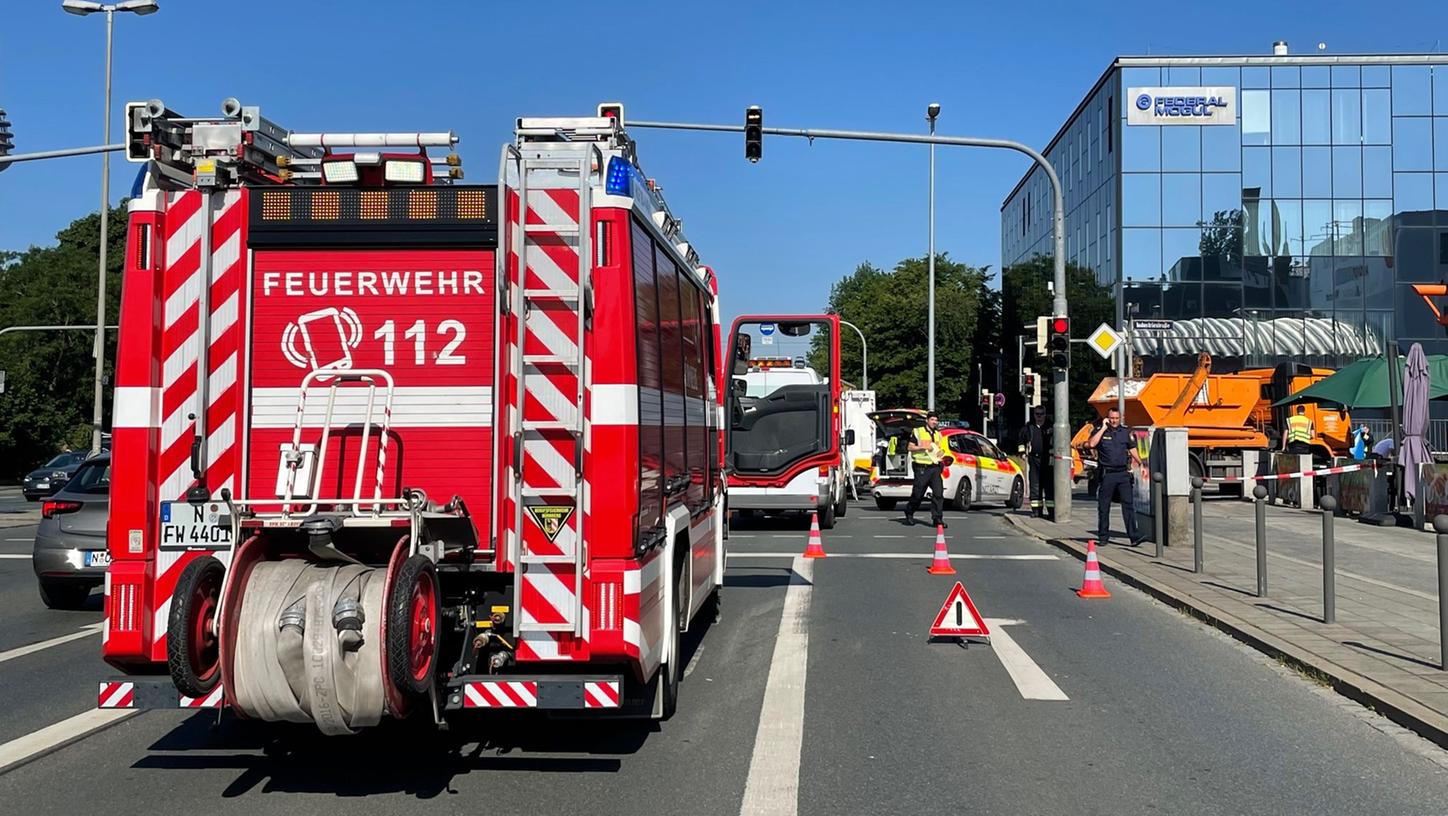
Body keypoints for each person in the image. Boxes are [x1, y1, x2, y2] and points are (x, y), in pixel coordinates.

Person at [1088, 407, 1142, 546]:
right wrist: (1102, 428)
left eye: (1116, 418)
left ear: (1120, 418)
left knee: (1128, 505)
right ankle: (1103, 537)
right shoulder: (1100, 431)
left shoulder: (1125, 432)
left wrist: (1141, 462)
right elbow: (1092, 444)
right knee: (1104, 507)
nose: (1114, 420)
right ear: (1108, 418)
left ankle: (1134, 537)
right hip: (1107, 474)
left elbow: (1132, 448)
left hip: (1123, 474)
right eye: (1112, 418)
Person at [904, 411, 949, 528]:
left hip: (935, 467)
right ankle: (909, 512)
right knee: (918, 494)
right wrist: (922, 447)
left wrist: (941, 453)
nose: (934, 422)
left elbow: (941, 449)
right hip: (921, 467)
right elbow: (909, 447)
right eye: (932, 420)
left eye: (936, 420)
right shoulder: (918, 431)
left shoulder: (938, 434)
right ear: (927, 420)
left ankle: (937, 519)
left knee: (938, 494)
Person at [1017, 406, 1051, 517]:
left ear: (1045, 414)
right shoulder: (1029, 427)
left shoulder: (1050, 426)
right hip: (1034, 458)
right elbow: (1021, 439)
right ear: (1034, 415)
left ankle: (1052, 511)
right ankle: (1036, 511)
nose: (1039, 416)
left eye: (1041, 414)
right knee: (1035, 484)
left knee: (1049, 485)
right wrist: (1022, 453)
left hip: (1048, 459)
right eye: (1037, 414)